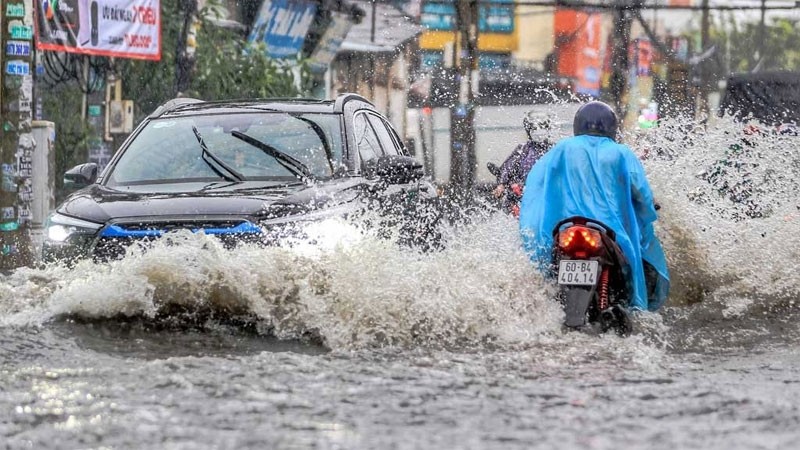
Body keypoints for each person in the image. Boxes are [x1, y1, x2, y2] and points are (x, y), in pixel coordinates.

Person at [518, 101, 670, 312]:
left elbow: (537, 183)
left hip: (565, 229)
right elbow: (641, 192)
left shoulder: (562, 149)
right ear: (612, 127)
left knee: (548, 272)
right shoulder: (621, 153)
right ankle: (632, 308)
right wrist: (649, 209)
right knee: (639, 262)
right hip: (611, 232)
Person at [492, 112, 555, 215]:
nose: (538, 132)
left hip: (548, 197)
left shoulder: (555, 149)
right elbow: (508, 167)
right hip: (522, 197)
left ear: (548, 129)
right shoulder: (522, 150)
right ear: (528, 131)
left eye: (542, 127)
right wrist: (502, 184)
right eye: (534, 129)